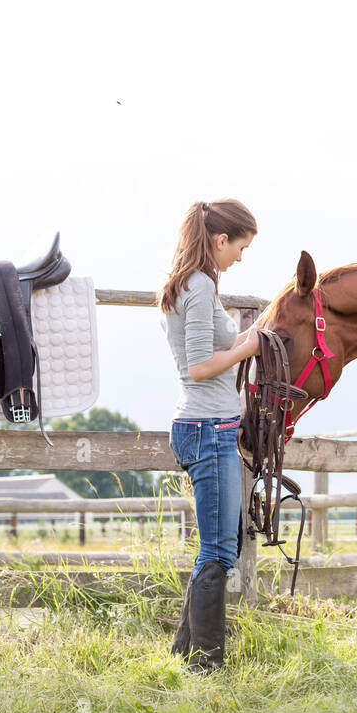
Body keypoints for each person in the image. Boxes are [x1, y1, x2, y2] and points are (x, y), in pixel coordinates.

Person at [157, 199, 261, 671]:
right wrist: (251, 347)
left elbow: (215, 351)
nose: (240, 257)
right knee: (220, 548)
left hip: (208, 426)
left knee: (223, 544)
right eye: (241, 247)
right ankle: (206, 666)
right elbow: (200, 367)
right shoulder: (199, 287)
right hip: (208, 427)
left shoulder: (195, 284)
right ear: (221, 240)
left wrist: (255, 335)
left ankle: (185, 654)